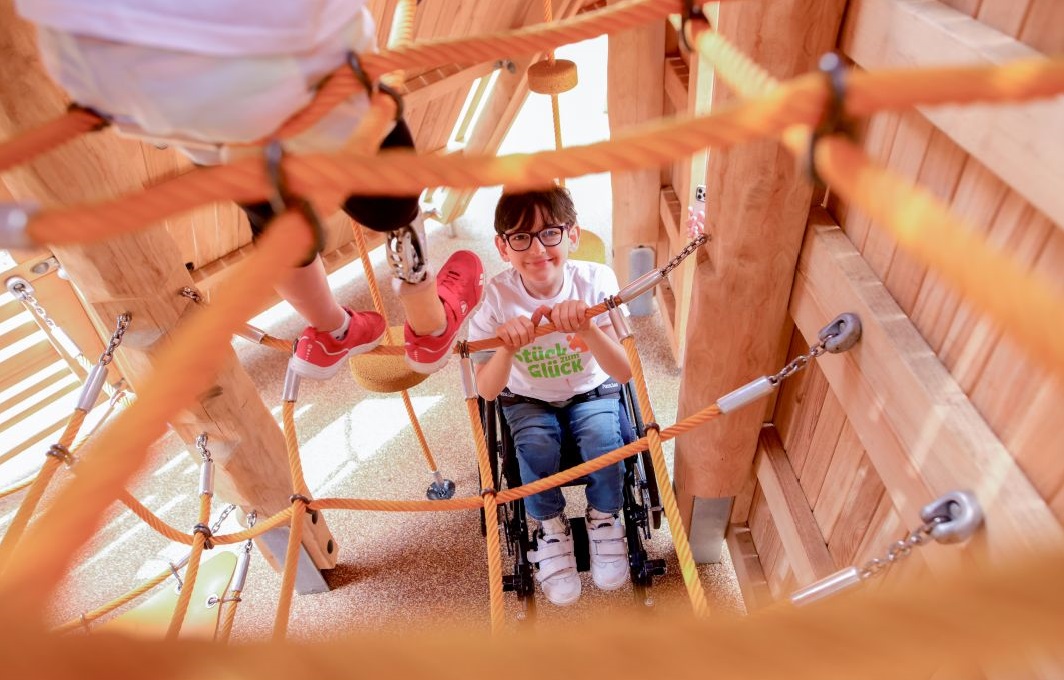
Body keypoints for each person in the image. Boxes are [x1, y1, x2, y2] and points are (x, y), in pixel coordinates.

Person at [15, 0, 484, 378]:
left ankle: (333, 331)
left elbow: (92, 78)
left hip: (207, 124)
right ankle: (429, 326)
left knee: (277, 226)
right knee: (393, 207)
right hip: (323, 86)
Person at [469, 185, 633, 606]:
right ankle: (550, 527)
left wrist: (588, 328)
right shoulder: (495, 298)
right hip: (528, 398)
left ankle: (604, 518)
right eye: (521, 237)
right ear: (503, 247)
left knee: (603, 439)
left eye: (550, 233)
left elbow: (625, 370)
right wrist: (506, 345)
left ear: (573, 235)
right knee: (536, 446)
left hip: (592, 389)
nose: (537, 248)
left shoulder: (598, 282)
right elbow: (486, 389)